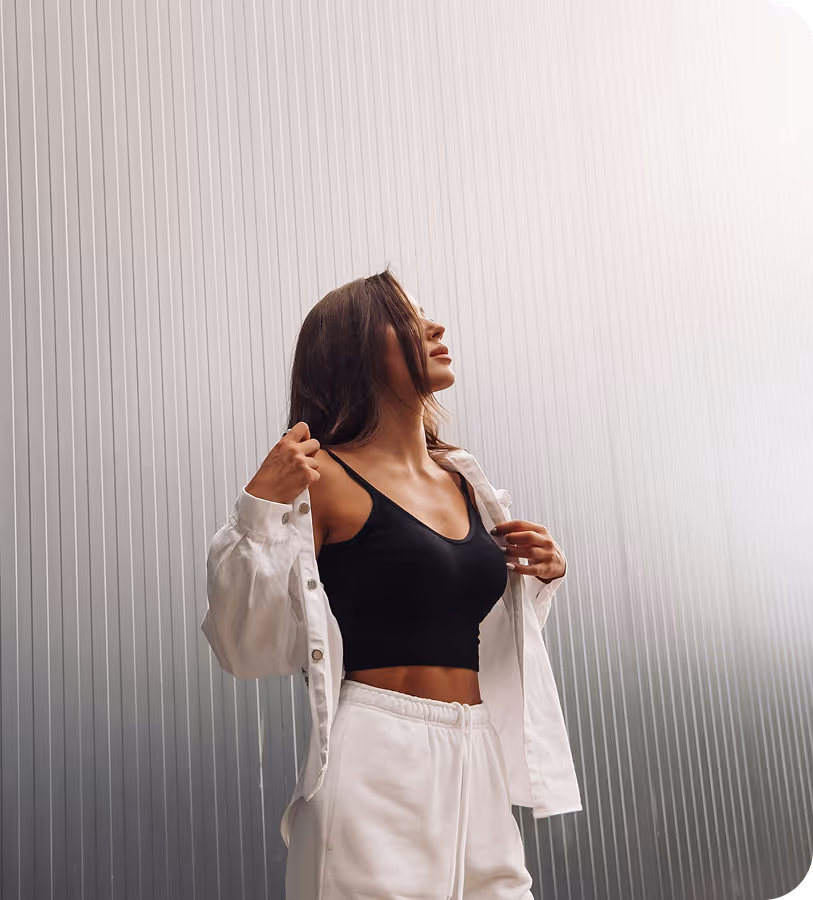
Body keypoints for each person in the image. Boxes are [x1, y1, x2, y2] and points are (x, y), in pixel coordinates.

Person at [201, 267, 581, 899]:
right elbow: (244, 647)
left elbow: (476, 637)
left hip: (476, 752)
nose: (433, 327)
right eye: (406, 321)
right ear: (354, 349)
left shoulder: (466, 483)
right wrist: (258, 512)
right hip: (379, 756)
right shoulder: (319, 478)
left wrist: (537, 582)